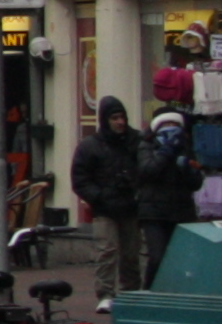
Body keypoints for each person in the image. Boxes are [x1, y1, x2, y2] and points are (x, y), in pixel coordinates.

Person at [133, 109, 209, 288]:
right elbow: (148, 171)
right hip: (154, 213)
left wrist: (189, 170)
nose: (171, 129)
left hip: (181, 211)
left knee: (180, 258)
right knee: (157, 257)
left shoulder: (185, 147)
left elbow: (196, 183)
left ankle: (174, 292)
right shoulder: (147, 146)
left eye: (175, 125)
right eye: (167, 125)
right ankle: (150, 292)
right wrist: (166, 152)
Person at [71, 97, 141, 287]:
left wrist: (136, 190)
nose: (120, 122)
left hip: (131, 207)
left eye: (122, 117)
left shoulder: (136, 141)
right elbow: (80, 179)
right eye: (115, 118)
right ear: (105, 119)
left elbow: (146, 170)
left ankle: (131, 293)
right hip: (105, 209)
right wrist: (99, 196)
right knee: (106, 252)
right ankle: (105, 293)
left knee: (131, 254)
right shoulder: (90, 145)